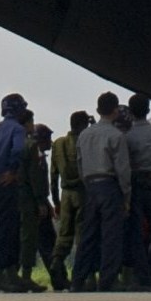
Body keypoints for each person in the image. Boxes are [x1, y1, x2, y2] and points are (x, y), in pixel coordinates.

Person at [76, 92, 131, 290]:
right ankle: (108, 280)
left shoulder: (85, 134)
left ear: (98, 110)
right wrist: (126, 196)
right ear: (115, 110)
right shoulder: (117, 135)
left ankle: (79, 279)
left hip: (90, 186)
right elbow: (122, 169)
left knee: (88, 234)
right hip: (110, 185)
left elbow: (80, 163)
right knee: (111, 236)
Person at [0, 94, 34, 293]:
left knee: (2, 227)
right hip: (7, 181)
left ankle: (9, 275)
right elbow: (18, 150)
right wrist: (12, 171)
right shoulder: (18, 129)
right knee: (8, 230)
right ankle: (0, 276)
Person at [120, 95, 151, 289]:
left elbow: (124, 164)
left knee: (137, 232)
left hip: (136, 185)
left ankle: (142, 277)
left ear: (130, 112)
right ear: (148, 110)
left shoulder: (127, 137)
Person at [50, 112, 91, 289]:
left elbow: (53, 175)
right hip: (83, 192)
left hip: (65, 193)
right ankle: (84, 277)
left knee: (64, 234)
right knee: (83, 236)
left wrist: (55, 201)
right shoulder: (86, 141)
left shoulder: (58, 144)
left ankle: (56, 262)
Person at [26, 118, 64, 289]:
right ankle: (59, 279)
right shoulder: (36, 157)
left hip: (40, 203)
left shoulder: (39, 157)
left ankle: (58, 278)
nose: (50, 142)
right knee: (47, 244)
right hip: (37, 206)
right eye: (47, 138)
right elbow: (36, 183)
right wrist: (42, 203)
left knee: (45, 244)